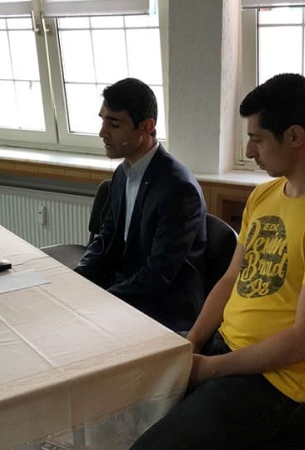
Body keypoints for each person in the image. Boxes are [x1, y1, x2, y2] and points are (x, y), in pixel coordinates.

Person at [129, 73, 305, 449]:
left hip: (275, 382)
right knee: (121, 407)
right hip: (224, 350)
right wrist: (192, 343)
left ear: (294, 137)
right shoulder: (265, 196)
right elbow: (231, 280)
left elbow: (304, 342)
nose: (248, 151)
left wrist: (210, 369)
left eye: (257, 139)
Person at [75, 78, 207, 332]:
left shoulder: (178, 189)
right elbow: (106, 239)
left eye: (114, 124)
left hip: (164, 305)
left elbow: (159, 275)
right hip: (128, 289)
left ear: (146, 127)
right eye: (102, 120)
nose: (102, 132)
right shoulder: (123, 173)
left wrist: (101, 300)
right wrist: (76, 278)